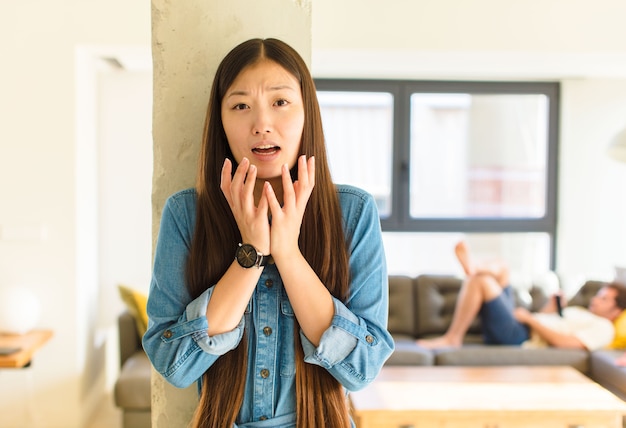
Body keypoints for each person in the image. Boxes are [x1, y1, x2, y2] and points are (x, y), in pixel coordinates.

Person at [142, 38, 394, 428]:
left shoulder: (353, 212)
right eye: (241, 105)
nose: (261, 124)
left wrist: (288, 254)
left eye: (280, 102)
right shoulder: (186, 213)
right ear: (221, 121)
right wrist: (253, 251)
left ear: (306, 111)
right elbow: (174, 365)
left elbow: (361, 368)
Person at [417, 241, 626, 351]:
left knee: (481, 282)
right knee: (502, 268)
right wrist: (551, 310)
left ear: (616, 310)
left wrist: (530, 320)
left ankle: (453, 338)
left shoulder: (604, 328)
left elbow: (567, 344)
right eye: (599, 295)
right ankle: (474, 267)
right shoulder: (581, 312)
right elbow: (551, 322)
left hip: (520, 337)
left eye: (604, 299)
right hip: (524, 324)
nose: (595, 300)